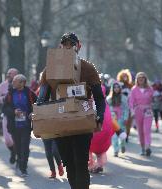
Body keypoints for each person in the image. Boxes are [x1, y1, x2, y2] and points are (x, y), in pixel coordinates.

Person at [37, 32, 105, 189]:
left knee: (81, 162)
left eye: (71, 44)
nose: (68, 47)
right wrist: (37, 113)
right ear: (60, 47)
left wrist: (100, 115)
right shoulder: (50, 70)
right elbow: (42, 97)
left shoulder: (88, 68)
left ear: (78, 47)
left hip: (82, 121)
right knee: (69, 163)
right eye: (65, 44)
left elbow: (99, 98)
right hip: (60, 121)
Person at [3, 74, 37, 177]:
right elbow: (4, 109)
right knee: (17, 147)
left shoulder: (30, 93)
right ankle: (19, 160)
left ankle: (23, 168)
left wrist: (32, 113)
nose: (12, 83)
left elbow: (38, 105)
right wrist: (13, 111)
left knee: (25, 147)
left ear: (22, 83)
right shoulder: (10, 94)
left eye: (15, 81)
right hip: (14, 126)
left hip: (26, 125)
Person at [0, 68, 18, 164]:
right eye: (8, 73)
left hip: (18, 116)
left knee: (18, 138)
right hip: (7, 114)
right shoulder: (2, 85)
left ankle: (18, 157)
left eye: (10, 74)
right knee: (8, 140)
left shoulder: (20, 85)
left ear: (16, 75)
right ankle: (13, 152)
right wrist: (5, 98)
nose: (8, 75)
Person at [89, 85, 113, 173]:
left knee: (87, 148)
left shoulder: (88, 102)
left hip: (92, 132)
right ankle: (98, 164)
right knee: (100, 151)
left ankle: (92, 165)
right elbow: (110, 120)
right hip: (102, 133)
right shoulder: (104, 103)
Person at [129, 72, 154, 156]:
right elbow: (131, 101)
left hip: (148, 110)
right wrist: (132, 111)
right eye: (139, 78)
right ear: (137, 79)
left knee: (146, 130)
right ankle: (143, 148)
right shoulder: (134, 89)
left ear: (145, 79)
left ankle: (148, 147)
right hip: (138, 111)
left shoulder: (150, 89)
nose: (141, 79)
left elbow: (154, 99)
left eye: (142, 77)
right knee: (140, 131)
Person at [107, 82, 129, 157]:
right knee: (114, 136)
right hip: (113, 120)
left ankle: (122, 145)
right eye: (115, 87)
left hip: (122, 119)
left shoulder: (124, 98)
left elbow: (126, 109)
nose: (116, 89)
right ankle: (116, 150)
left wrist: (126, 118)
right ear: (112, 89)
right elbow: (107, 109)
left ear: (120, 88)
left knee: (122, 135)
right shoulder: (109, 98)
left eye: (118, 87)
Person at [117, 69, 133, 142]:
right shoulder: (118, 85)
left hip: (129, 106)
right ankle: (121, 135)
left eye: (126, 76)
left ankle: (127, 135)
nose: (124, 77)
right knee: (120, 122)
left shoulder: (130, 85)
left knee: (128, 122)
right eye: (123, 76)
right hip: (120, 106)